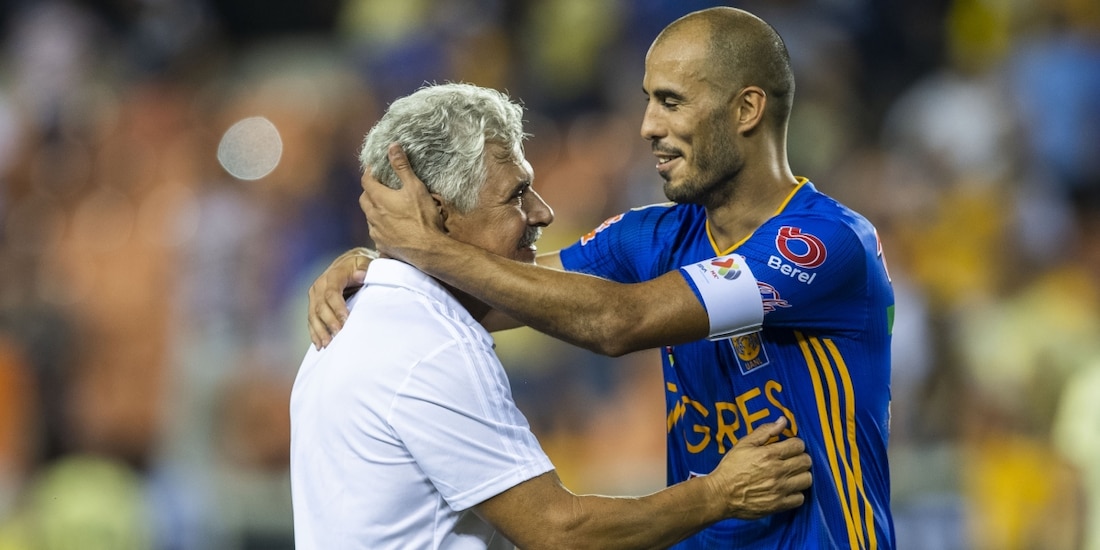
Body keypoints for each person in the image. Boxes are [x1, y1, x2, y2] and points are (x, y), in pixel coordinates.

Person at [309, 7, 894, 548]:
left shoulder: (824, 243)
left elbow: (621, 322)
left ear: (746, 109)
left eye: (671, 102)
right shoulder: (651, 237)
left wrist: (425, 248)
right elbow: (484, 294)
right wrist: (383, 269)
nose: (647, 126)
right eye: (647, 101)